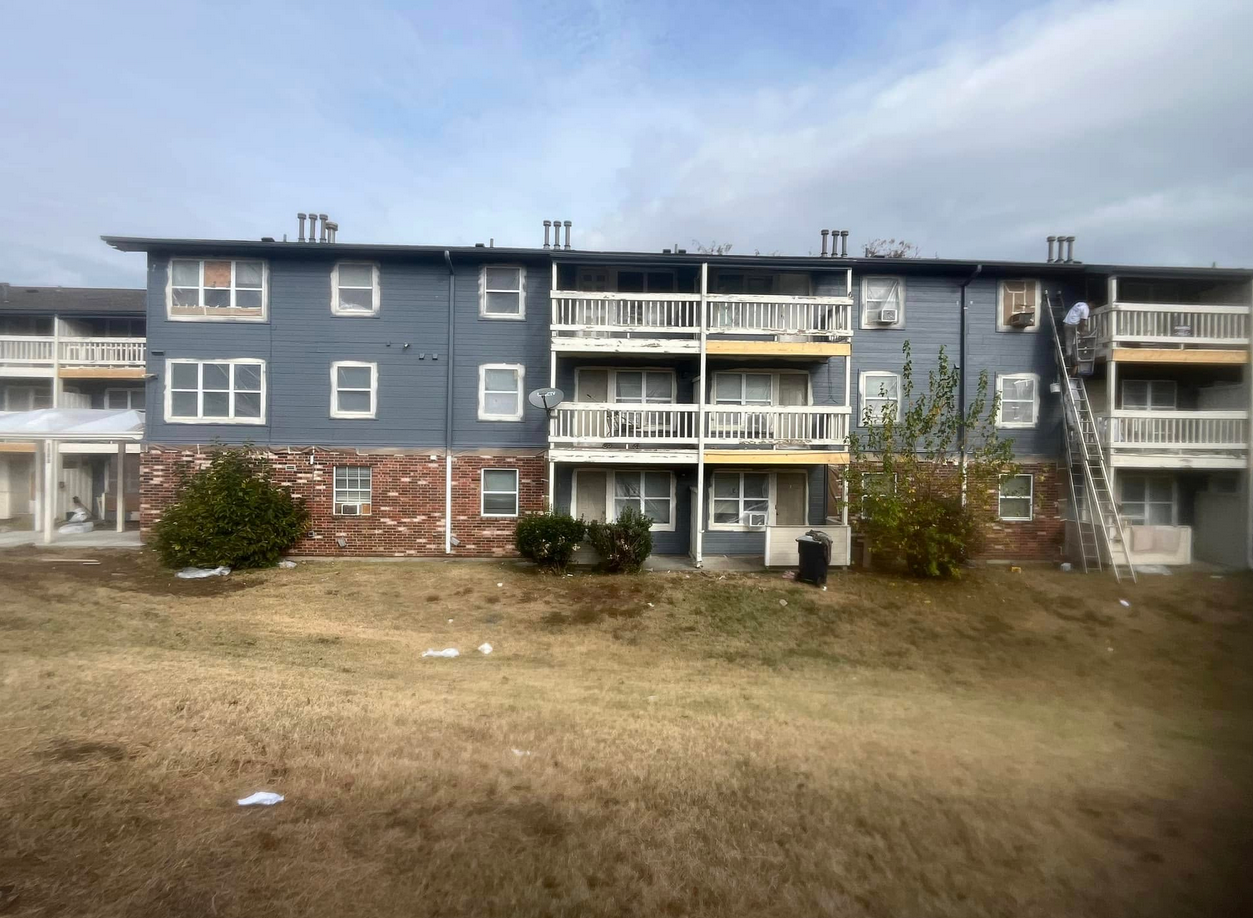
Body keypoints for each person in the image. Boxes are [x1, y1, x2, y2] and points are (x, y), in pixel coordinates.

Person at [1062, 300, 1090, 370]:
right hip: (1074, 325)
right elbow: (1082, 321)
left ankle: (1068, 358)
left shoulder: (1078, 304)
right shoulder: (1086, 308)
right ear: (1091, 304)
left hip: (1067, 324)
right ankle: (1085, 348)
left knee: (1069, 343)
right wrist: (1081, 331)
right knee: (1086, 333)